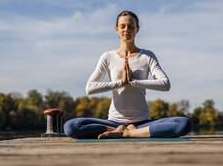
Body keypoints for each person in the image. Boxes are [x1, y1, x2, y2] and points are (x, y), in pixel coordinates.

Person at [64, 11, 192, 139]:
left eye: (131, 26)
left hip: (142, 122)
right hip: (114, 122)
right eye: (122, 26)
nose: (127, 30)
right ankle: (119, 130)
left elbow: (165, 84)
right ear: (116, 29)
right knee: (71, 126)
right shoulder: (107, 57)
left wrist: (133, 82)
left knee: (183, 123)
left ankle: (129, 133)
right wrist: (121, 83)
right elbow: (90, 88)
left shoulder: (147, 56)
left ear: (137, 29)